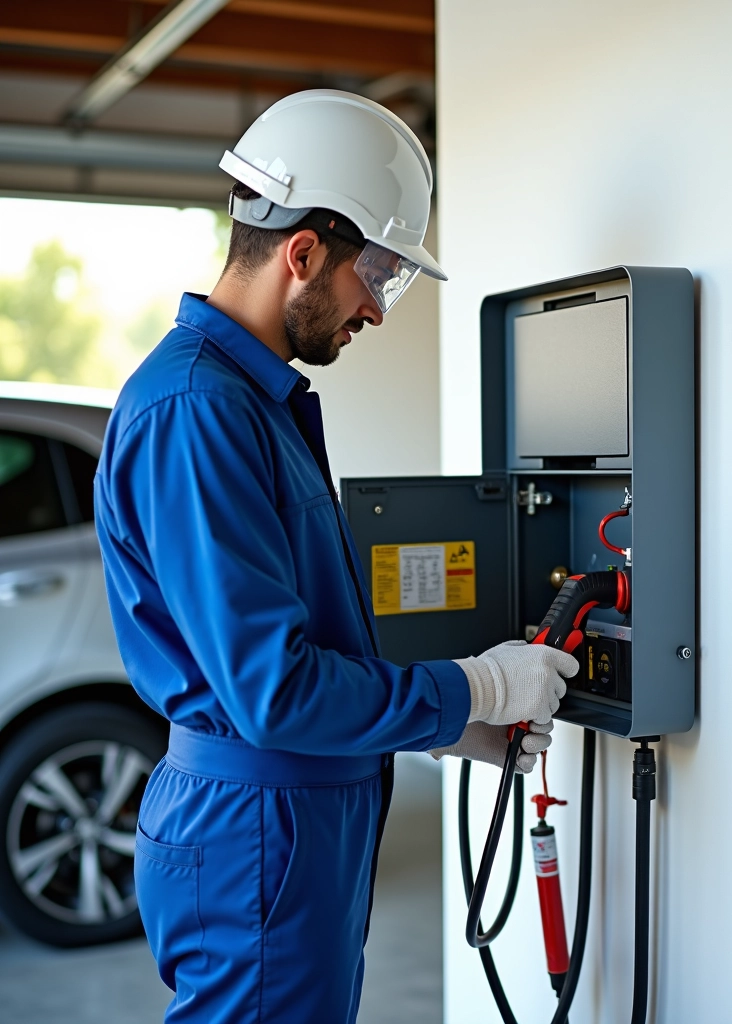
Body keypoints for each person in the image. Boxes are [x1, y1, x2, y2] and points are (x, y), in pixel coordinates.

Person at [94, 90, 578, 1024]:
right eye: (382, 274)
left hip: (290, 817)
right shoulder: (198, 411)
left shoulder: (249, 403)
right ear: (304, 252)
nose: (380, 311)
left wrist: (447, 726)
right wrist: (472, 690)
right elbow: (275, 691)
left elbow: (299, 648)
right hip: (257, 829)